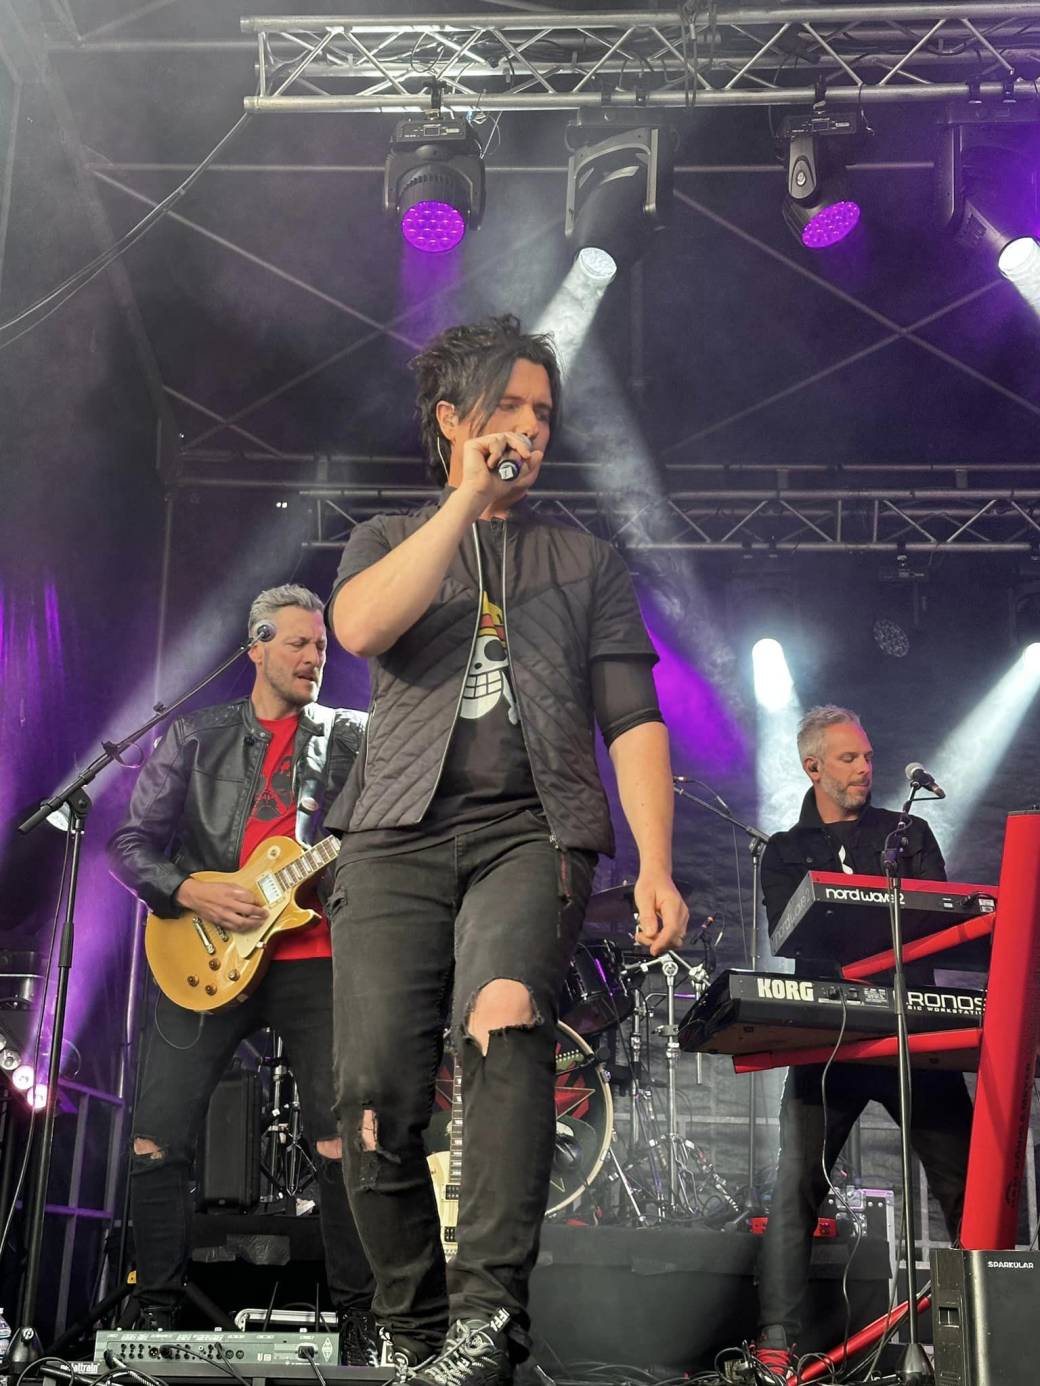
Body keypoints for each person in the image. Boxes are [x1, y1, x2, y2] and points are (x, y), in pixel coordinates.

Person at [325, 314, 689, 1386]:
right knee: (372, 1094)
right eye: (509, 408)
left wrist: (654, 863)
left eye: (543, 413)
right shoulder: (387, 537)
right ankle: (411, 1325)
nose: (530, 428)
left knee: (504, 1021)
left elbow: (633, 719)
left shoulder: (583, 559)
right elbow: (360, 629)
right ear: (452, 419)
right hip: (391, 833)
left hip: (533, 830)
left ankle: (485, 1324)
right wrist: (462, 503)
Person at [107, 584, 376, 1362]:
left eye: (321, 646)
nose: (314, 657)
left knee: (340, 1146)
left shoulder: (354, 737)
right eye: (297, 643)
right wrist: (189, 889)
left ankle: (360, 1326)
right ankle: (155, 1318)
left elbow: (396, 826)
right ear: (255, 646)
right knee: (156, 1141)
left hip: (316, 956)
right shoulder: (196, 735)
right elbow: (130, 846)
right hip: (201, 952)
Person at [753, 704, 974, 1380]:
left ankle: (986, 1324)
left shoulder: (909, 833)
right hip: (831, 1038)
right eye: (849, 758)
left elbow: (940, 918)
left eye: (869, 757)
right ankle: (777, 1342)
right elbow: (790, 934)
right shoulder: (784, 851)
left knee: (966, 1181)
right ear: (813, 766)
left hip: (912, 1031)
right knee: (796, 1187)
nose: (865, 769)